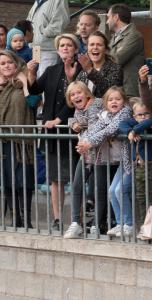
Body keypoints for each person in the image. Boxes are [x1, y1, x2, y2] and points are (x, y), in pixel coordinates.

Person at [28, 33, 81, 231]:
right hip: (51, 132)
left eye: (69, 45)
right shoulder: (51, 70)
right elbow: (34, 90)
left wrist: (59, 120)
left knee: (75, 180)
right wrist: (31, 73)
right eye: (62, 45)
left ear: (75, 49)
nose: (65, 48)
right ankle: (58, 218)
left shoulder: (81, 69)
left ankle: (77, 219)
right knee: (55, 178)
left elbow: (77, 98)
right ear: (58, 50)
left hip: (72, 129)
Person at [75, 86, 132, 237]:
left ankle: (128, 224)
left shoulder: (125, 112)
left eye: (118, 99)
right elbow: (94, 128)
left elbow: (111, 129)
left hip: (129, 160)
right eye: (110, 99)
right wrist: (83, 141)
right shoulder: (105, 115)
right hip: (118, 160)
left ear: (124, 102)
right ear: (106, 103)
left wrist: (90, 143)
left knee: (120, 190)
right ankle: (121, 224)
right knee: (112, 191)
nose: (114, 102)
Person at [63, 81, 103, 238]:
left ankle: (97, 224)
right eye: (72, 95)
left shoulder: (96, 104)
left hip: (101, 153)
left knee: (99, 188)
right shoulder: (79, 109)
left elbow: (94, 128)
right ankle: (75, 223)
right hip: (86, 154)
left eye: (78, 92)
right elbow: (72, 119)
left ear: (87, 93)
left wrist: (83, 138)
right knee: (76, 185)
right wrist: (73, 123)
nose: (76, 96)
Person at [0, 50, 35, 228]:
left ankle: (26, 217)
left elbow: (36, 103)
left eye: (9, 62)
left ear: (16, 63)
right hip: (4, 141)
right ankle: (15, 218)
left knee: (24, 179)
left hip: (22, 141)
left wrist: (25, 85)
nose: (6, 66)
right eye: (2, 63)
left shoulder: (25, 79)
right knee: (8, 180)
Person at [119, 98, 152, 234]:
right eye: (139, 115)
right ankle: (143, 226)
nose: (143, 117)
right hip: (138, 166)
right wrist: (130, 131)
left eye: (145, 114)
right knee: (141, 197)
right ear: (134, 116)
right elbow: (122, 124)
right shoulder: (134, 124)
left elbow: (151, 120)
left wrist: (134, 130)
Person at [107, 3, 145, 97]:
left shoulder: (134, 36)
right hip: (117, 91)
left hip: (129, 92)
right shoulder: (115, 36)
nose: (107, 21)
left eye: (108, 17)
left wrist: (106, 54)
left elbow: (116, 59)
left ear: (116, 17)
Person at [27, 0, 70, 77]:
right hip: (36, 48)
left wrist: (44, 33)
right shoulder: (37, 1)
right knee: (34, 76)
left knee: (45, 77)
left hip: (49, 49)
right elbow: (29, 21)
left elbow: (60, 21)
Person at [77, 31, 123, 98]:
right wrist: (70, 78)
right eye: (92, 44)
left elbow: (110, 92)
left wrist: (90, 70)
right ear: (87, 49)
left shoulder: (115, 69)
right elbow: (73, 93)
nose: (95, 47)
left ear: (106, 50)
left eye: (99, 45)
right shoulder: (83, 71)